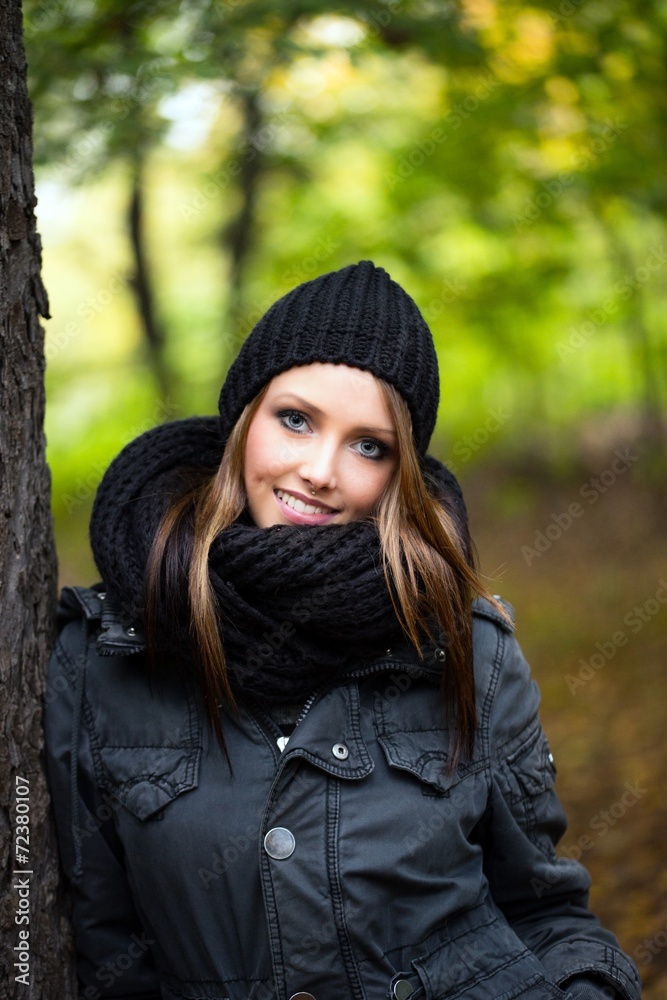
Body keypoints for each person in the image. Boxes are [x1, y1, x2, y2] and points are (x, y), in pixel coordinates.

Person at [45, 261, 641, 1000]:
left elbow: (545, 912)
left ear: (400, 475)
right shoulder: (105, 654)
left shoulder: (466, 646)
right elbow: (99, 954)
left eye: (369, 446)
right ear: (241, 421)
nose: (320, 470)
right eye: (294, 419)